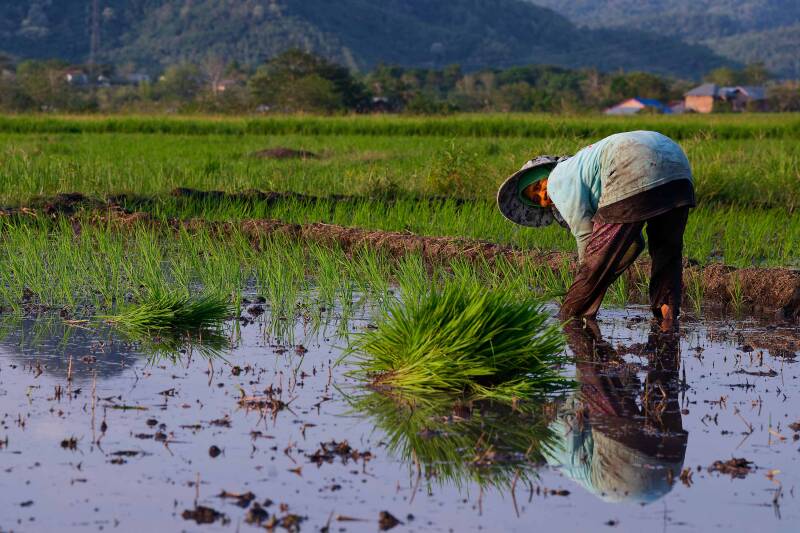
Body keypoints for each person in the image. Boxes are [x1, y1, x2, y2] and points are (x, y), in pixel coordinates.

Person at [497, 130, 695, 329]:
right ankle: (667, 320)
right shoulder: (580, 168)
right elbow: (633, 245)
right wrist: (605, 274)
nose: (542, 196)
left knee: (590, 270)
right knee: (667, 254)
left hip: (630, 166)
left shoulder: (557, 179)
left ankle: (569, 320)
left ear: (543, 174)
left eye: (537, 187)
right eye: (534, 198)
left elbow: (587, 239)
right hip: (678, 169)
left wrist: (589, 278)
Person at [544, 320, 687, 504]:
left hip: (671, 465)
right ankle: (576, 322)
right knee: (590, 370)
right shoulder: (549, 448)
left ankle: (667, 322)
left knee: (664, 379)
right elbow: (575, 413)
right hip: (624, 474)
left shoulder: (578, 472)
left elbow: (624, 393)